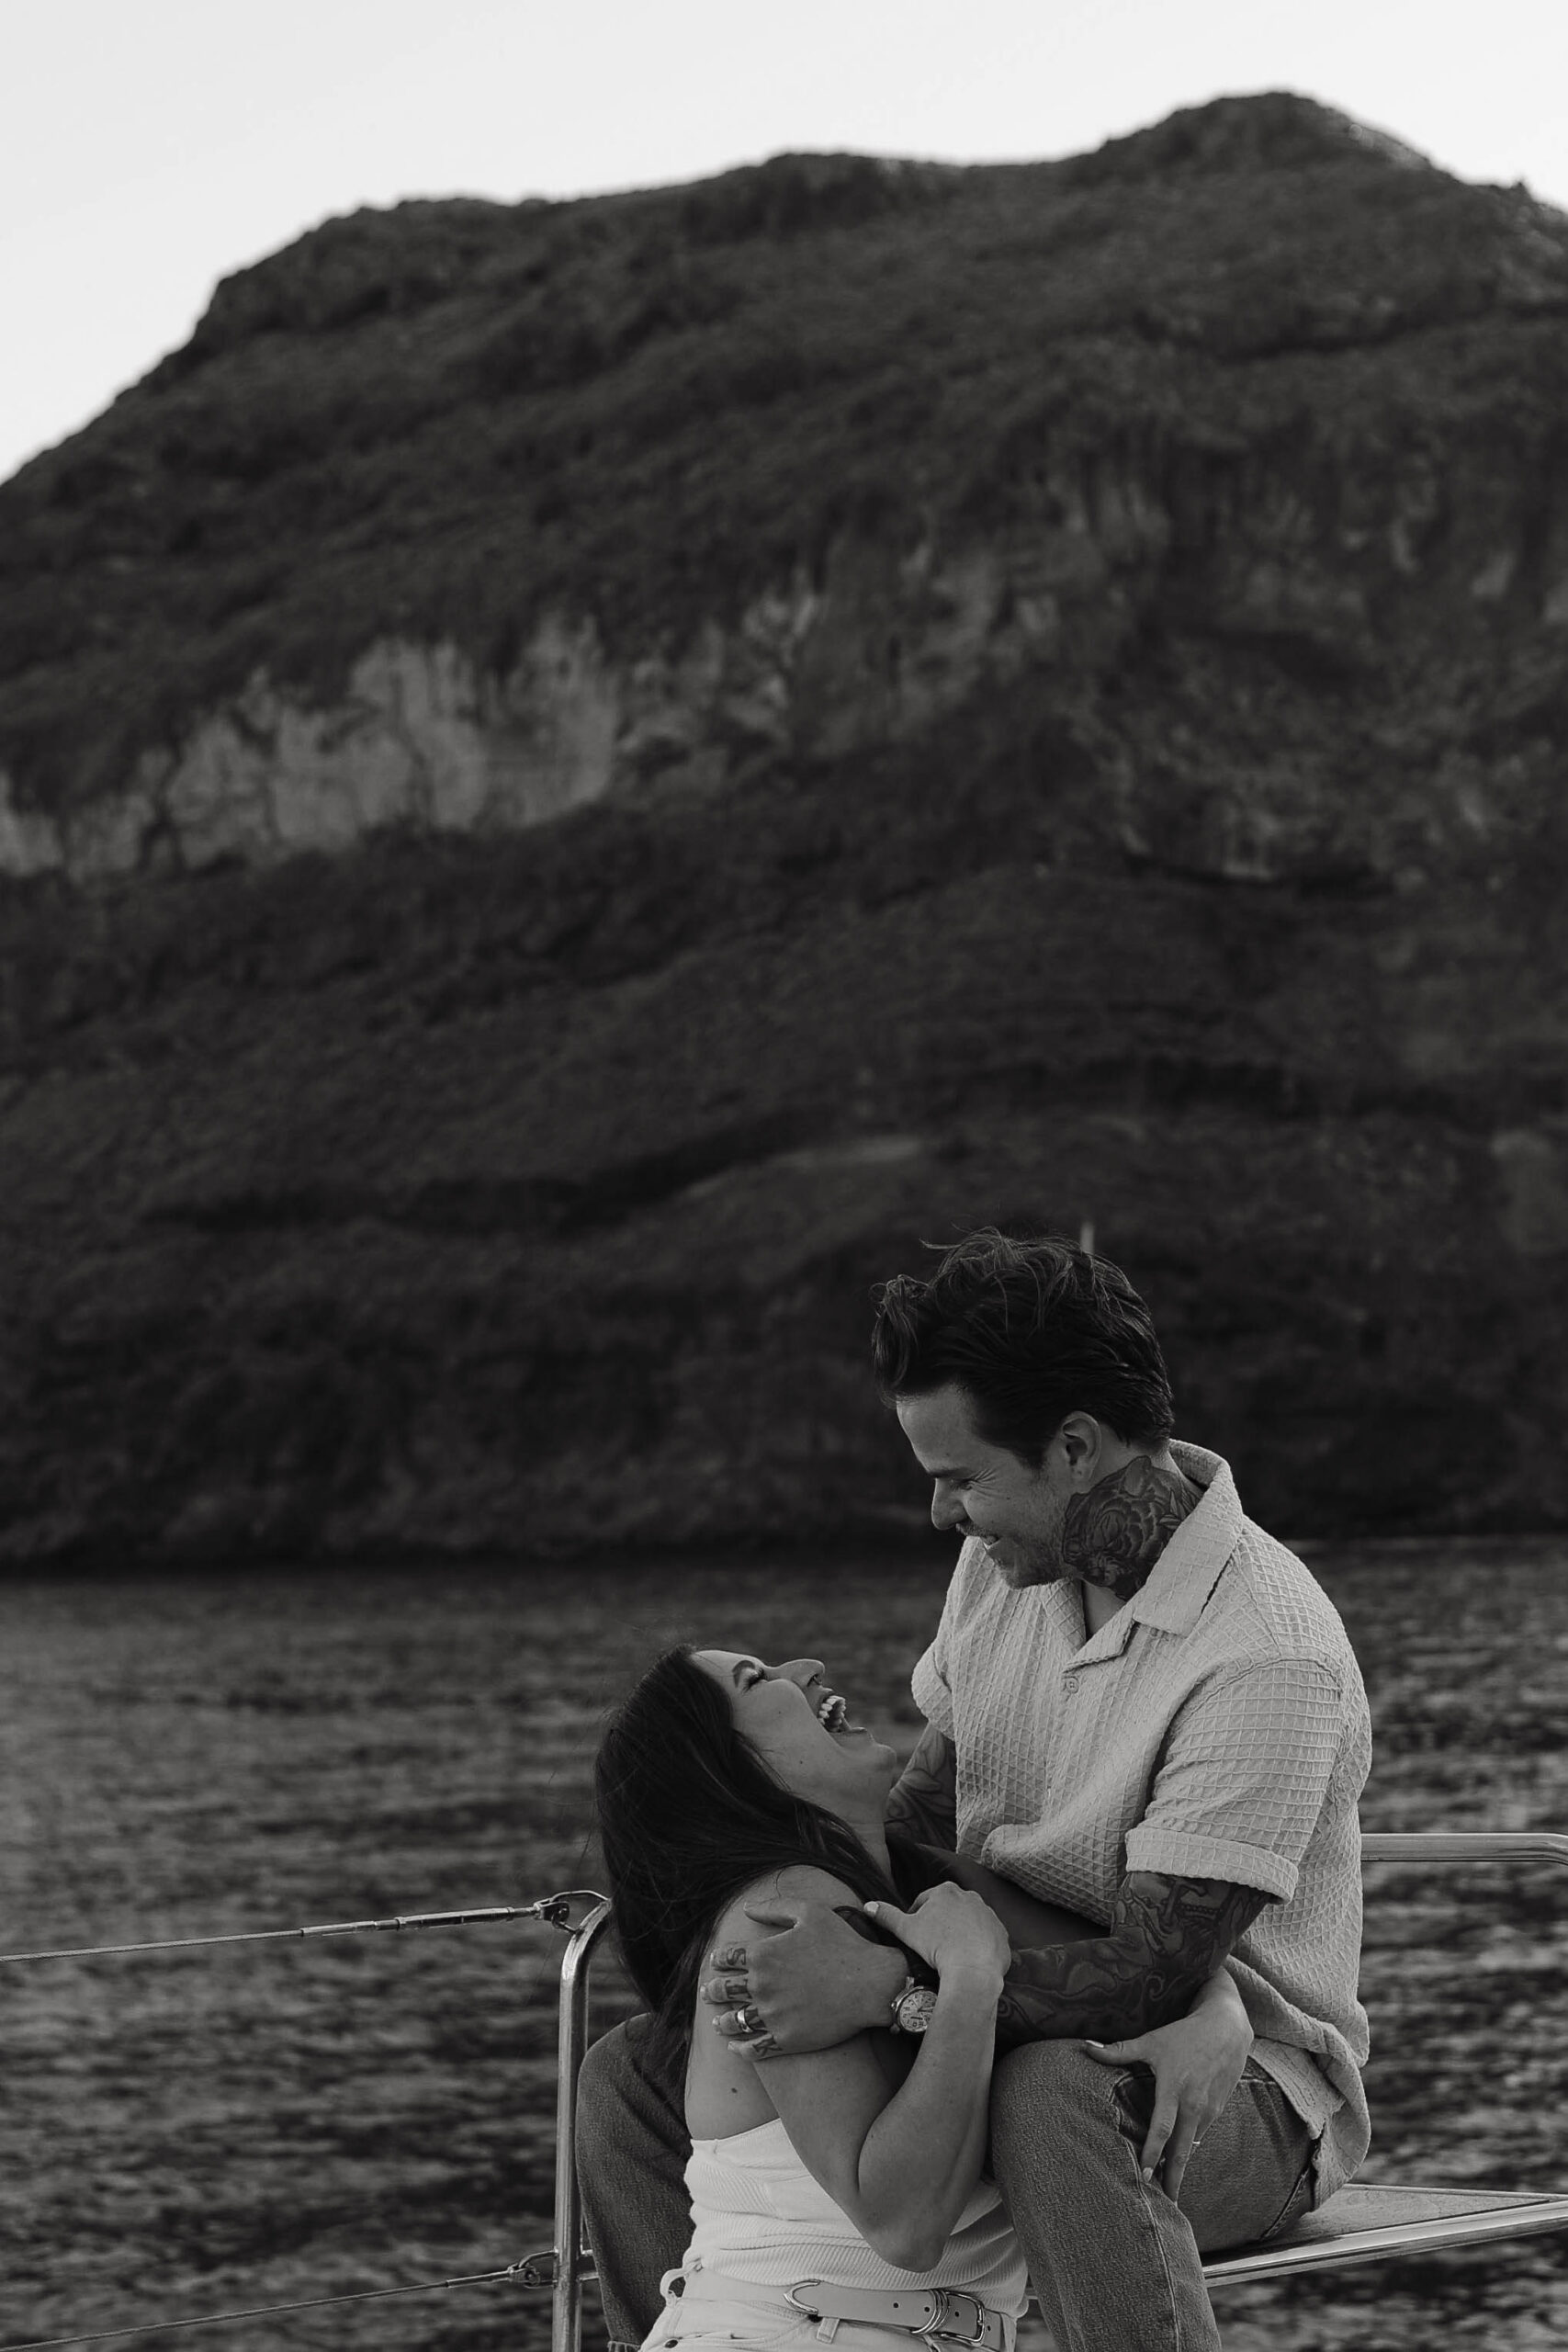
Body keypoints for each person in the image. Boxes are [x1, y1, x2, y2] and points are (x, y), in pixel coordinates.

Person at [696, 1231, 1373, 2352]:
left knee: (1053, 2097)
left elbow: (1149, 1979)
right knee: (646, 2062)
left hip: (1243, 2088)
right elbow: (915, 1824)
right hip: (993, 1992)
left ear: (1072, 1446)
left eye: (961, 1477)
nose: (940, 1516)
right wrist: (785, 1946)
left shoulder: (1266, 1653)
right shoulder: (1003, 1567)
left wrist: (883, 1990)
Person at [591, 1640, 1257, 2352]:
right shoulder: (786, 1917)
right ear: (732, 1772)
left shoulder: (913, 1886)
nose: (808, 1667)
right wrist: (967, 1981)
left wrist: (1223, 2013)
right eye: (760, 1681)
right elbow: (903, 2226)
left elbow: (1146, 1965)